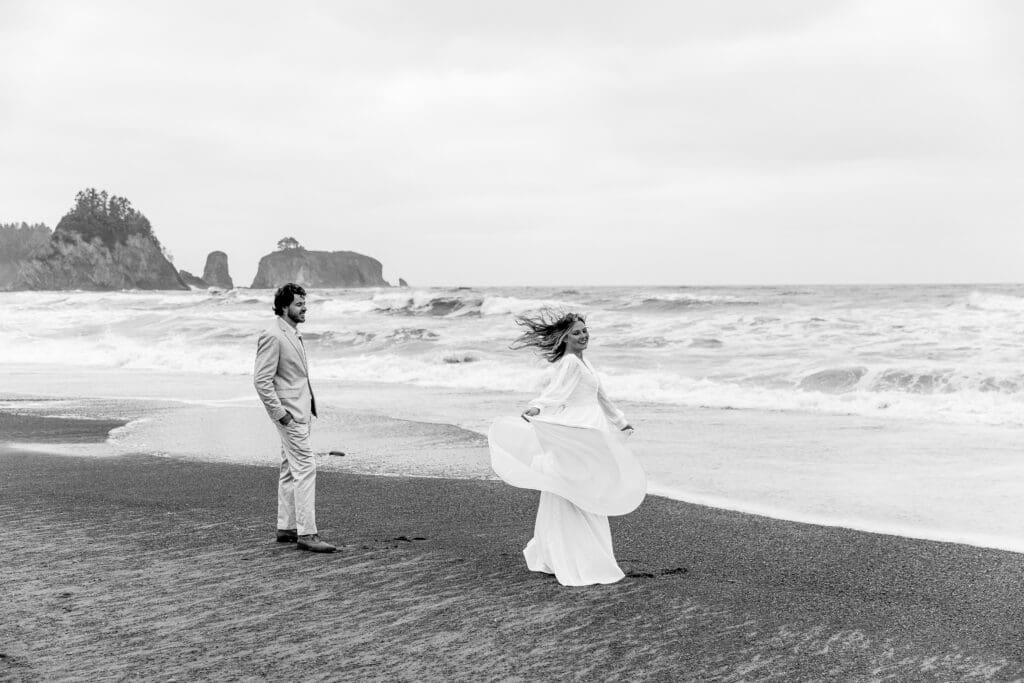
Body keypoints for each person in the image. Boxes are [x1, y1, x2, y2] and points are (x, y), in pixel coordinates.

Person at [488, 310, 646, 586]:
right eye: (576, 332)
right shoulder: (570, 363)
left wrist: (620, 421)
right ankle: (573, 553)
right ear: (564, 338)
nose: (583, 336)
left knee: (587, 488)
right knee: (579, 489)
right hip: (579, 428)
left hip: (591, 428)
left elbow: (601, 397)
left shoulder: (586, 363)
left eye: (584, 331)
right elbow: (556, 392)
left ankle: (575, 550)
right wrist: (538, 406)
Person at [254, 283, 336, 553]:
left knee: (290, 469)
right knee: (306, 468)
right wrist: (282, 415)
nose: (305, 308)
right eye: (299, 304)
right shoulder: (273, 335)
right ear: (285, 306)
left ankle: (287, 527)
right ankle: (307, 534)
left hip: (300, 410)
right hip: (289, 414)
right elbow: (261, 381)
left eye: (304, 303)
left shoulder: (292, 332)